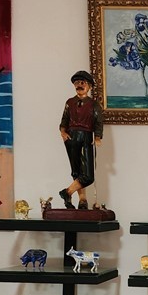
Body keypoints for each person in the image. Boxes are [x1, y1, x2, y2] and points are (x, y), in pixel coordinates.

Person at [58, 70, 103, 210]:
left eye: (82, 83)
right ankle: (82, 200)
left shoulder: (94, 105)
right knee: (76, 170)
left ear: (89, 86)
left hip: (86, 137)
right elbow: (64, 120)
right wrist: (63, 132)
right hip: (71, 137)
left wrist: (97, 137)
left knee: (88, 175)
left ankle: (67, 192)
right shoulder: (69, 102)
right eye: (76, 83)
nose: (79, 85)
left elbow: (98, 123)